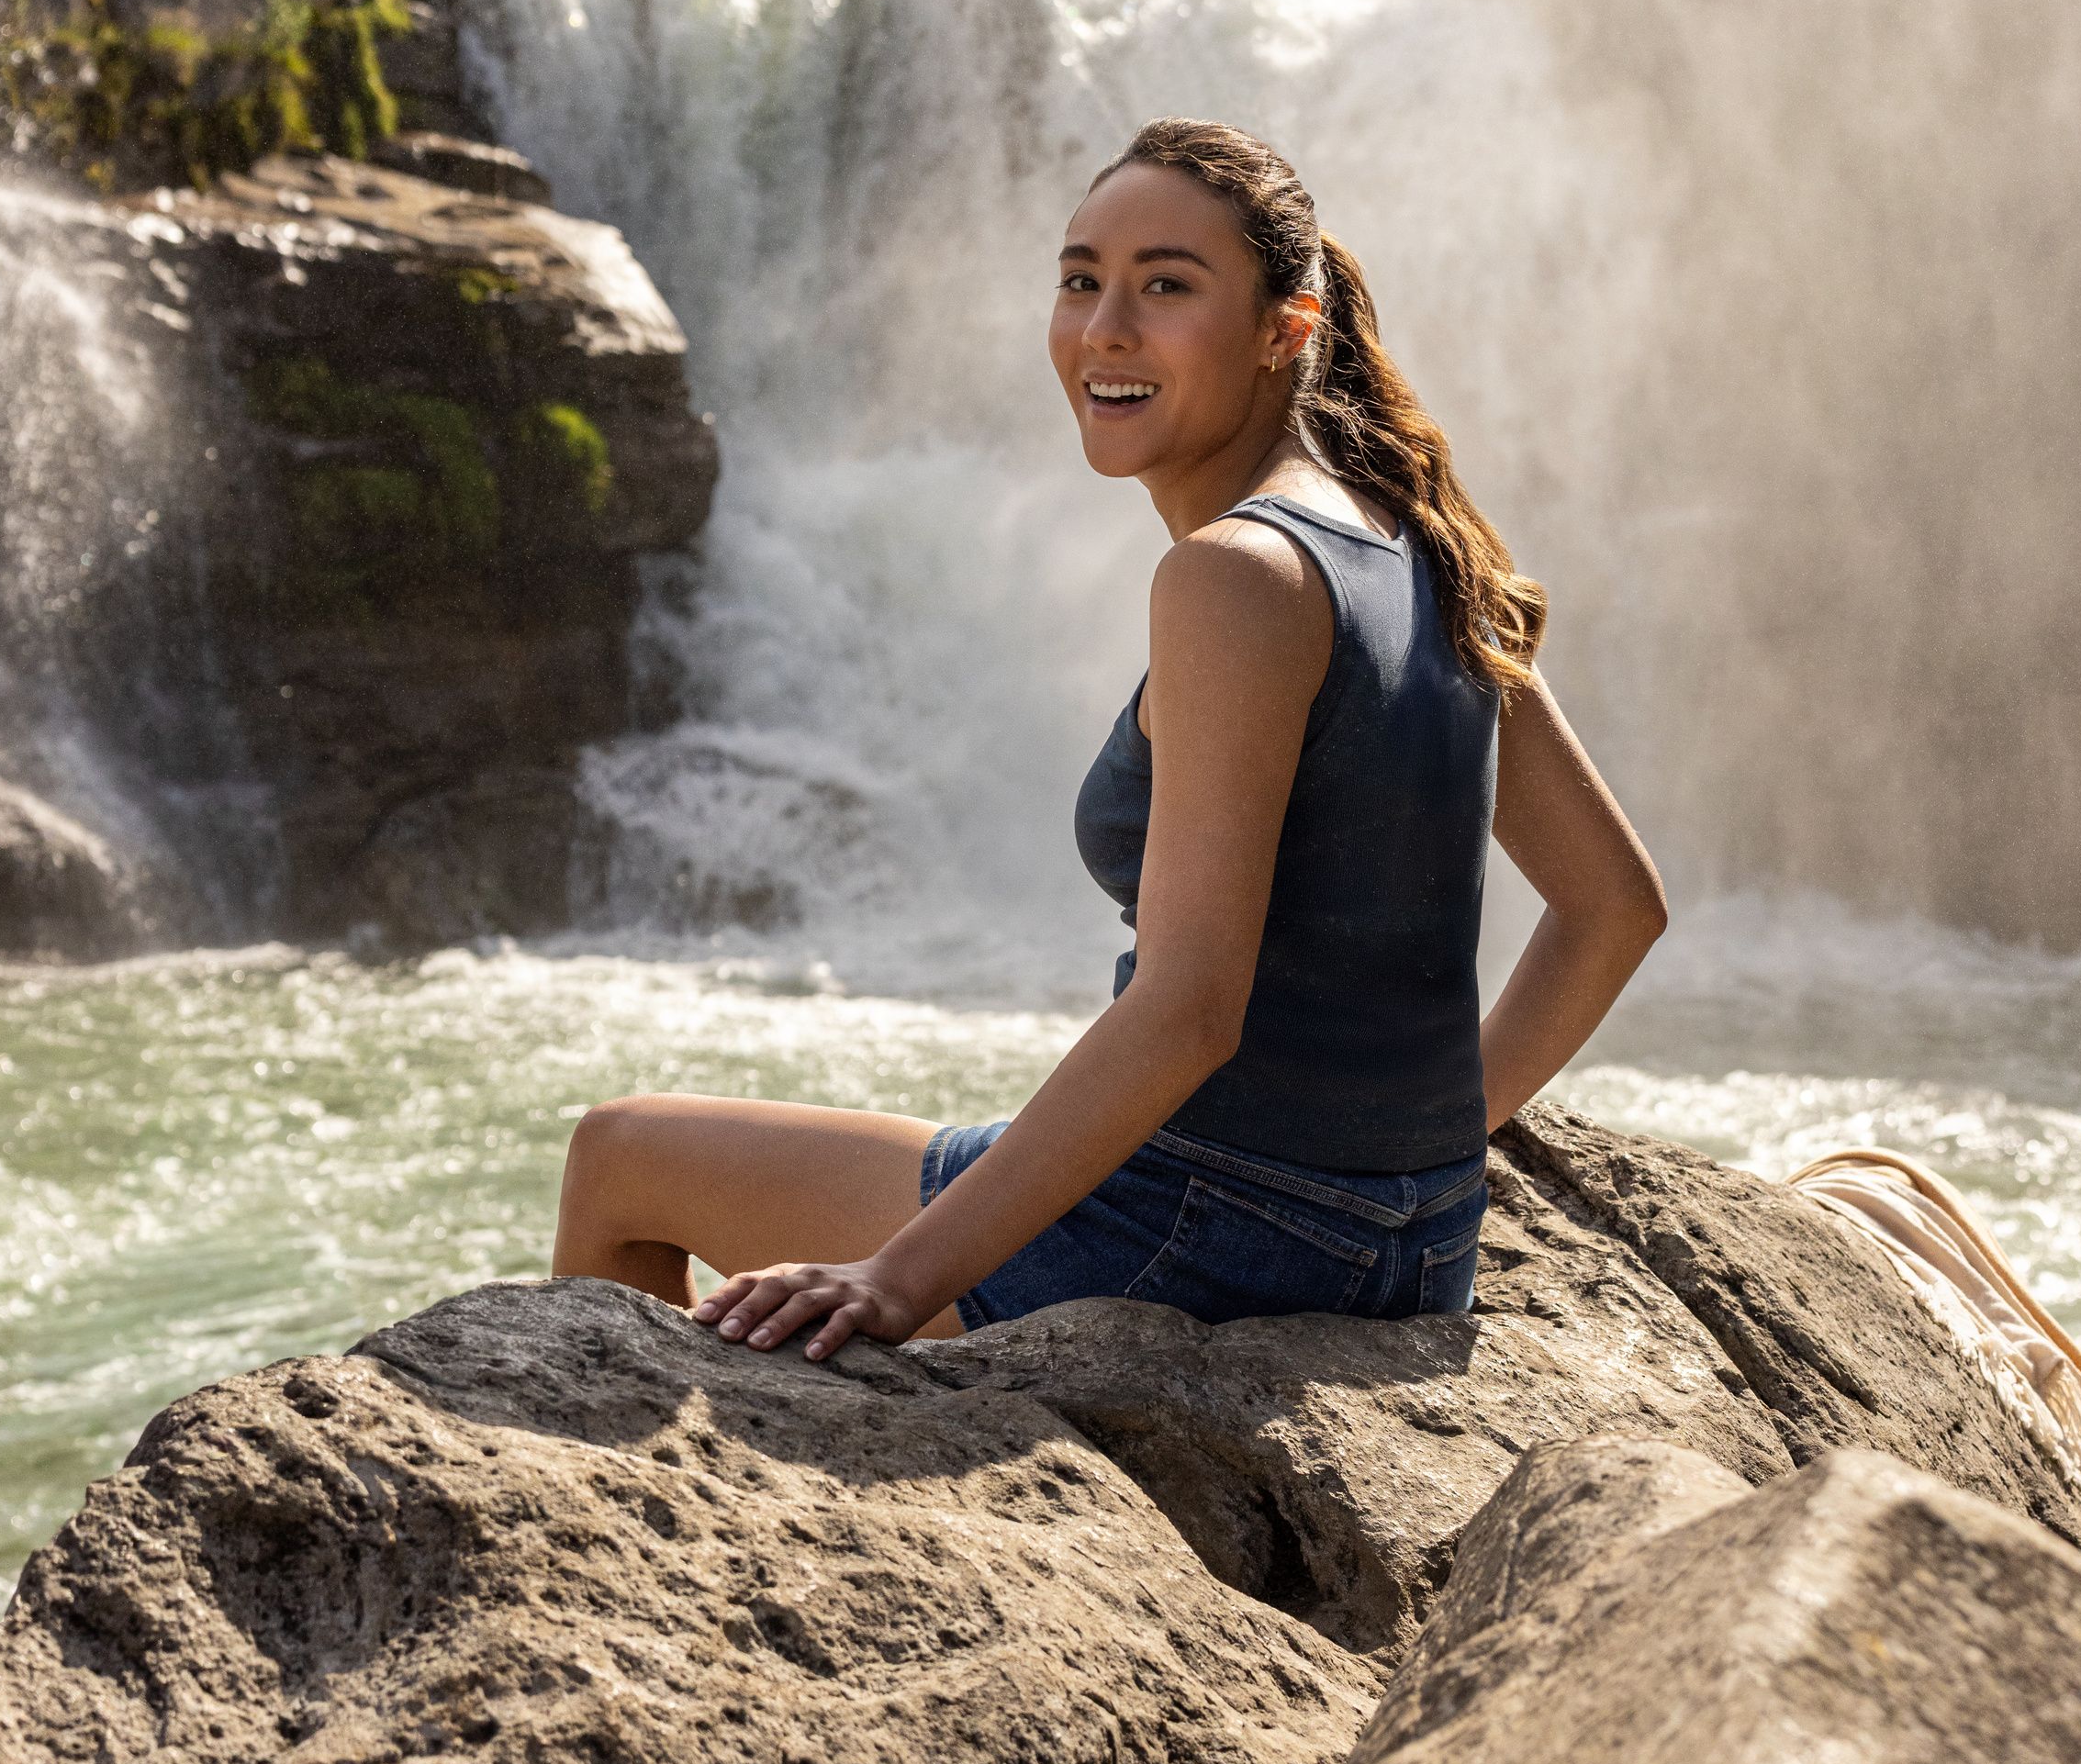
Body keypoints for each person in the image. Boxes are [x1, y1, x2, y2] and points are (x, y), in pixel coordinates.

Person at [550, 117, 1668, 1355]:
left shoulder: (1238, 576)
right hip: (1414, 1241)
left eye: (1167, 286)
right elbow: (1616, 906)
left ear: (1282, 332)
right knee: (784, 1150)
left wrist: (897, 1277)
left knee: (619, 1156)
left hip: (1206, 1227)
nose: (1105, 329)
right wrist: (1424, 1165)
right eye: (1083, 279)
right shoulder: (1422, 540)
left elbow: (1192, 1008)